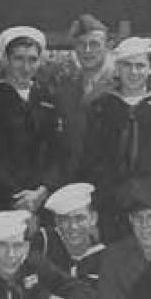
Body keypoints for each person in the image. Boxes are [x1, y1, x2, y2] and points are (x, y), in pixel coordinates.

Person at [83, 37, 151, 240]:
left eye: (140, 66)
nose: (134, 72)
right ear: (117, 68)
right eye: (127, 65)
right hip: (111, 205)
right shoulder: (101, 108)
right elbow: (90, 160)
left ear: (150, 68)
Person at [0, 26, 64, 215]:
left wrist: (43, 190)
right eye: (18, 58)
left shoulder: (47, 96)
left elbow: (58, 150)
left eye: (32, 60)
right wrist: (16, 195)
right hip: (4, 197)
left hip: (42, 198)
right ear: (6, 60)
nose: (26, 67)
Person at [47, 13, 114, 183]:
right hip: (72, 180)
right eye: (81, 44)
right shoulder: (66, 88)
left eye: (94, 44)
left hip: (109, 182)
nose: (87, 50)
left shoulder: (120, 85)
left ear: (108, 47)